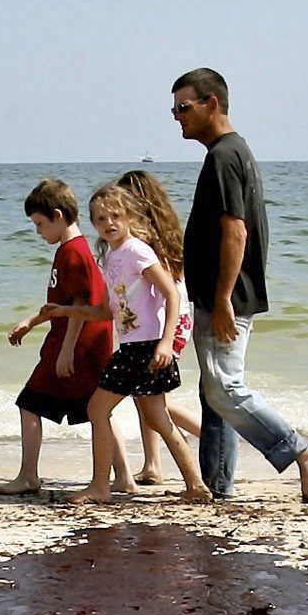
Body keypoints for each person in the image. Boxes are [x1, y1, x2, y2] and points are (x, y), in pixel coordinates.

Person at [170, 69, 308, 503]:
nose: (177, 117)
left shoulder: (225, 155)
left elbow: (235, 231)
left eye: (184, 107)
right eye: (174, 109)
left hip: (227, 296)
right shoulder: (230, 152)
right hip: (218, 293)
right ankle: (217, 486)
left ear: (212, 104)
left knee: (224, 387)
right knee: (213, 392)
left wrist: (222, 298)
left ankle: (302, 450)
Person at [69, 180, 209, 504]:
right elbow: (108, 310)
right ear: (93, 224)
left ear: (129, 216)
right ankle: (196, 484)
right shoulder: (111, 257)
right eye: (101, 219)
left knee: (97, 408)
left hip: (145, 347)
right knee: (158, 419)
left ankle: (100, 486)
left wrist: (165, 343)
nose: (110, 224)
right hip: (133, 345)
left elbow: (171, 293)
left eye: (116, 216)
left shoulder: (137, 251)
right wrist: (65, 310)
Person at [0, 177, 114, 495]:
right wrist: (31, 322)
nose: (38, 232)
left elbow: (78, 303)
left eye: (39, 224)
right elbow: (62, 302)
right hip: (85, 342)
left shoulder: (72, 252)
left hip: (76, 343)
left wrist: (65, 350)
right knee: (96, 409)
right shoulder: (73, 249)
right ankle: (124, 477)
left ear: (58, 216)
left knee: (29, 402)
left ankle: (28, 476)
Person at [115, 166, 203, 485]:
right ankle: (153, 463)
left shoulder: (144, 242)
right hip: (175, 322)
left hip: (165, 326)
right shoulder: (162, 234)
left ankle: (210, 438)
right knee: (146, 395)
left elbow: (164, 291)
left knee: (153, 400)